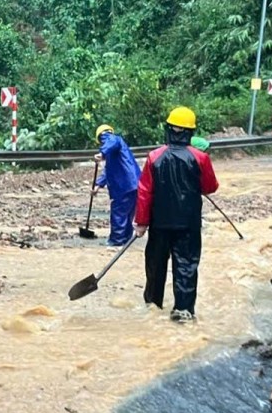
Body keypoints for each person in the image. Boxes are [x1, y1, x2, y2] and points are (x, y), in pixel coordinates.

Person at [134, 107, 219, 322]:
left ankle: (152, 306)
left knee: (155, 264)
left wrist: (141, 222)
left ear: (169, 128)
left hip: (159, 223)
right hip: (188, 224)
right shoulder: (200, 158)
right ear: (190, 131)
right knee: (186, 265)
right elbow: (210, 187)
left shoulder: (154, 156)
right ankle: (183, 310)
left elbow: (145, 191)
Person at [91, 124, 141, 246]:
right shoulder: (114, 152)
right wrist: (98, 185)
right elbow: (108, 170)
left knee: (119, 212)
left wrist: (101, 153)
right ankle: (125, 239)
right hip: (135, 184)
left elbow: (112, 140)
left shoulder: (113, 139)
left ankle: (116, 241)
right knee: (128, 213)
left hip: (124, 185)